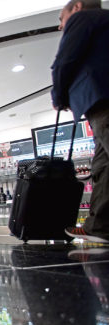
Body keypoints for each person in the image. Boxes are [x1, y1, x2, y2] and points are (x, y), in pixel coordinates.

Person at [51, 0, 109, 243]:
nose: (60, 27)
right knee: (103, 165)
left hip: (103, 97)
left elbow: (65, 60)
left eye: (61, 20)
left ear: (77, 7)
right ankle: (100, 227)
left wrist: (59, 95)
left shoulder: (83, 18)